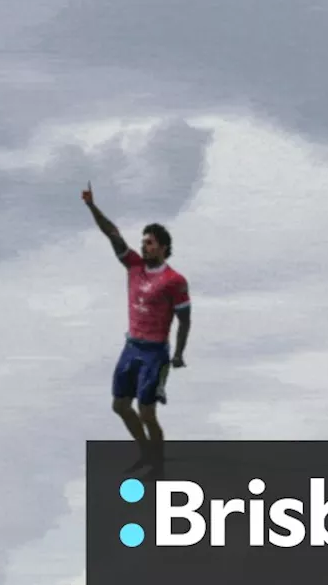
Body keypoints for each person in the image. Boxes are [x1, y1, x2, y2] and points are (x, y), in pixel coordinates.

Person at [82, 181, 191, 473]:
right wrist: (92, 206)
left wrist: (179, 353)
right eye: (143, 241)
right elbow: (112, 234)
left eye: (150, 242)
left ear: (164, 248)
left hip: (155, 353)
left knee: (147, 412)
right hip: (131, 348)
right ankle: (145, 453)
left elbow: (185, 320)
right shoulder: (133, 266)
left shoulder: (174, 280)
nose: (144, 246)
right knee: (119, 406)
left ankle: (158, 465)